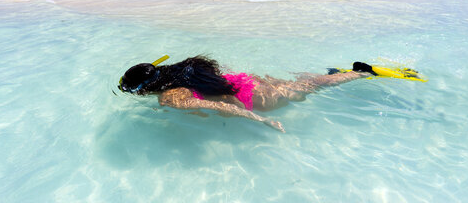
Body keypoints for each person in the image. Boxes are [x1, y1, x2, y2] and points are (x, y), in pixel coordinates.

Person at [119, 56, 375, 132]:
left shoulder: (169, 97)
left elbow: (220, 108)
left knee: (310, 88)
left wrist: (261, 120)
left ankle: (361, 73)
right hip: (244, 82)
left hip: (252, 99)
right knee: (303, 84)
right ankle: (336, 74)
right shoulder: (177, 71)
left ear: (144, 89)